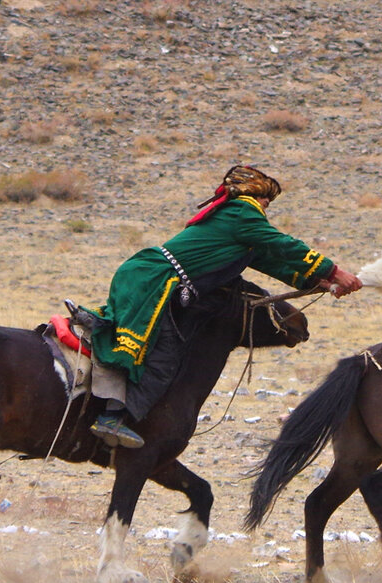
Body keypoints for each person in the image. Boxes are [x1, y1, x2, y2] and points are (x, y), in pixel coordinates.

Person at [87, 165, 362, 448]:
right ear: (250, 194)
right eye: (264, 197)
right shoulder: (242, 212)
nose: (267, 204)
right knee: (161, 355)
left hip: (148, 277)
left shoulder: (238, 226)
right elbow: (283, 244)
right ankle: (113, 418)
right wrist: (334, 270)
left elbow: (272, 261)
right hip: (151, 280)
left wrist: (321, 282)